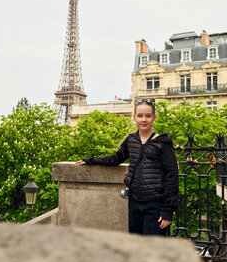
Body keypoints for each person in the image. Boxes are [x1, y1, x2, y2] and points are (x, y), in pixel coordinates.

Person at [76, 98, 178, 236]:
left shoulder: (163, 143)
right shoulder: (131, 140)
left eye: (148, 116)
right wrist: (92, 160)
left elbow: (172, 176)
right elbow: (115, 158)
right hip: (134, 202)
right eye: (140, 116)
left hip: (155, 205)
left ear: (154, 117)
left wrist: (167, 210)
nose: (144, 119)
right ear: (134, 117)